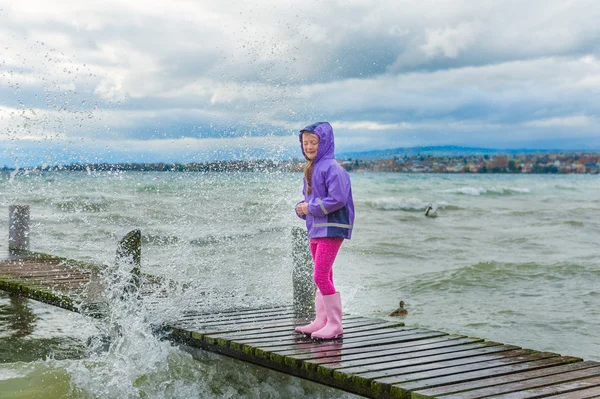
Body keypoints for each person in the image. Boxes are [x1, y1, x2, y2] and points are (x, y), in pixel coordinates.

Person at [294, 122, 354, 339]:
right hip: (316, 228)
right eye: (305, 143)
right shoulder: (311, 168)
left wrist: (309, 208)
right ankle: (322, 320)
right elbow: (311, 199)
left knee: (320, 276)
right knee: (324, 275)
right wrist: (301, 208)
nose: (309, 146)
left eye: (314, 142)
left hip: (332, 227)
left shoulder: (333, 168)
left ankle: (335, 324)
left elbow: (337, 199)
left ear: (325, 143)